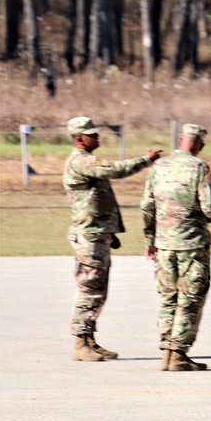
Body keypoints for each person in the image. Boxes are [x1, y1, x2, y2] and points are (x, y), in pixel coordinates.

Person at [63, 116, 161, 361]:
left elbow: (99, 201)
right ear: (79, 138)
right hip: (89, 236)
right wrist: (145, 160)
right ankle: (79, 343)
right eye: (92, 134)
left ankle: (89, 340)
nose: (98, 137)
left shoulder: (84, 161)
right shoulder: (81, 161)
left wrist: (111, 232)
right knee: (89, 289)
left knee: (98, 289)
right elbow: (115, 169)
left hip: (97, 234)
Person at [141, 124, 211, 371]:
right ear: (200, 145)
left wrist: (150, 239)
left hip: (163, 245)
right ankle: (178, 353)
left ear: (180, 140)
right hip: (191, 244)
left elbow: (146, 206)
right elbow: (210, 208)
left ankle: (166, 350)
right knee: (190, 298)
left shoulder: (158, 166)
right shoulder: (199, 168)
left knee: (168, 297)